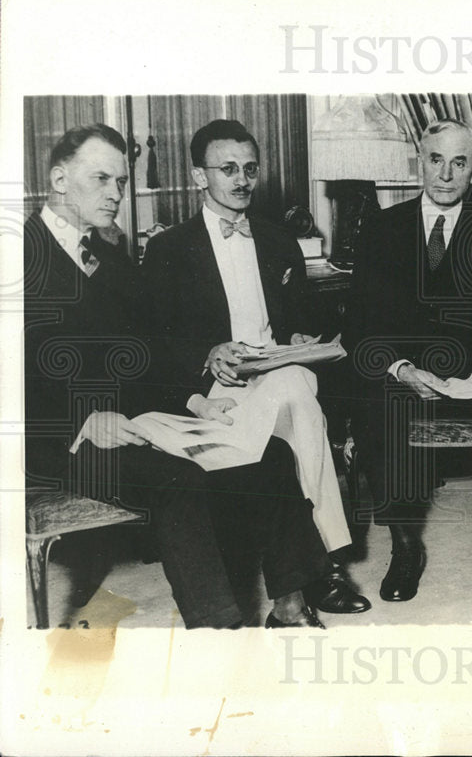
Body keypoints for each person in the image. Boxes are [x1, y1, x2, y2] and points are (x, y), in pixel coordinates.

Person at [24, 124, 332, 628]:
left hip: (134, 423)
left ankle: (290, 607)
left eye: (121, 181)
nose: (115, 193)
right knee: (178, 477)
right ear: (59, 179)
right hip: (57, 440)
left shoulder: (107, 257)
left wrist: (195, 402)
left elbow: (143, 354)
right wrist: (85, 420)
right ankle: (218, 631)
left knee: (269, 453)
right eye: (101, 179)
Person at [142, 119, 369, 616]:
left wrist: (303, 339)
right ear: (201, 177)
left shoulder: (279, 241)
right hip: (220, 388)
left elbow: (299, 320)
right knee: (305, 414)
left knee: (291, 384)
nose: (241, 179)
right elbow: (155, 343)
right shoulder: (169, 249)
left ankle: (304, 573)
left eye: (249, 168)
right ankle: (325, 568)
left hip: (279, 372)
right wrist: (206, 355)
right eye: (227, 169)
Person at [345, 118, 472, 601]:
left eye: (458, 162)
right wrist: (401, 368)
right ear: (420, 162)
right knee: (373, 392)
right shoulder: (381, 228)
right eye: (436, 160)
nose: (445, 174)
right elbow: (359, 324)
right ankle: (404, 545)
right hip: (405, 375)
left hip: (471, 377)